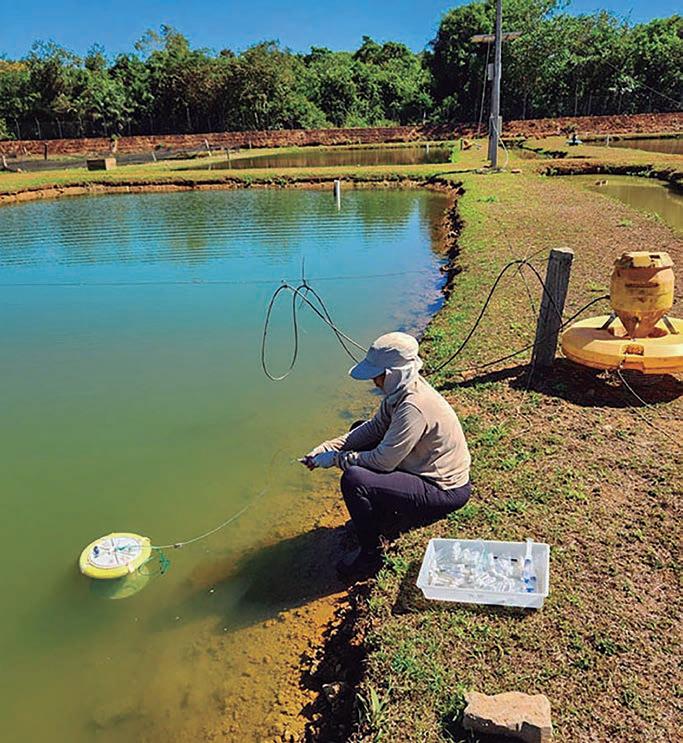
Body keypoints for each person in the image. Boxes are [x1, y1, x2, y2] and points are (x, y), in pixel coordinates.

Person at [302, 332, 471, 577]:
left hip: (443, 489)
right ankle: (381, 517)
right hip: (420, 468)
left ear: (393, 374)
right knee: (358, 429)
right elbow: (374, 428)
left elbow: (383, 462)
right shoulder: (402, 392)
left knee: (355, 480)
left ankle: (371, 556)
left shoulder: (413, 406)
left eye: (377, 376)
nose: (374, 382)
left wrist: (336, 460)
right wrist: (329, 446)